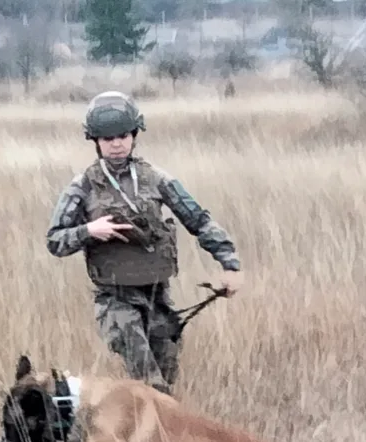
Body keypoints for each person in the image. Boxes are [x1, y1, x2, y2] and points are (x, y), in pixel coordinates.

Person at [45, 91, 244, 396]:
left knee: (166, 376)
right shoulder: (83, 186)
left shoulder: (155, 178)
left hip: (157, 297)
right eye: (107, 137)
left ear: (134, 135)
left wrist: (229, 263)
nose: (116, 143)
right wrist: (88, 230)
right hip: (116, 299)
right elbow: (55, 240)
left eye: (123, 135)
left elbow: (198, 219)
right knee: (151, 386)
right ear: (95, 140)